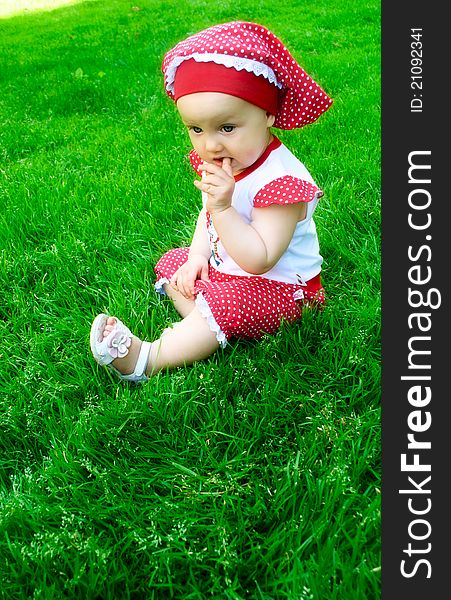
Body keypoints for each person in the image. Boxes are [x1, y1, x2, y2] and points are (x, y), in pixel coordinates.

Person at [90, 20, 333, 382]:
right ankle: (206, 326)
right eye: (196, 129)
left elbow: (259, 259)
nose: (210, 144)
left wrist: (223, 208)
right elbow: (207, 219)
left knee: (227, 301)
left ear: (268, 114)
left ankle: (147, 359)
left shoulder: (282, 183)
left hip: (282, 290)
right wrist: (197, 257)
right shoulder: (227, 162)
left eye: (227, 128)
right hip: (229, 274)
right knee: (174, 265)